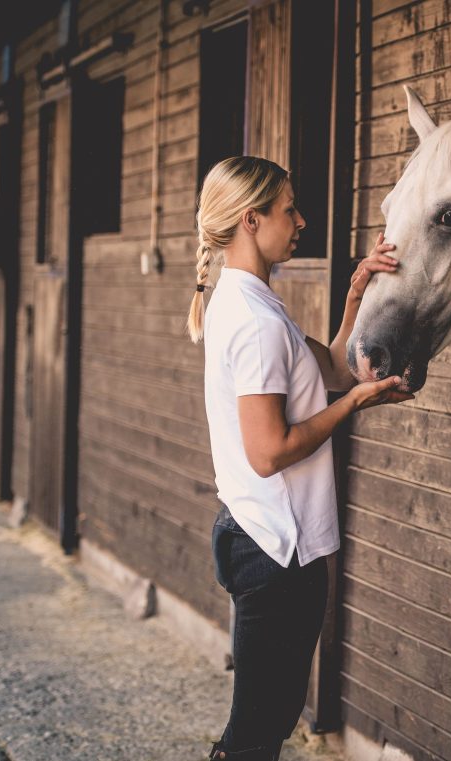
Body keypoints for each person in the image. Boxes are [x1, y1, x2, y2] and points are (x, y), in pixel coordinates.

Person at [186, 156, 410, 760]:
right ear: (252, 220)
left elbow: (333, 367)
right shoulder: (255, 321)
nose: (302, 221)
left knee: (264, 725)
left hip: (267, 541)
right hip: (274, 550)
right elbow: (270, 452)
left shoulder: (253, 303)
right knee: (257, 734)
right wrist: (356, 404)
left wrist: (358, 292)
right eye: (290, 210)